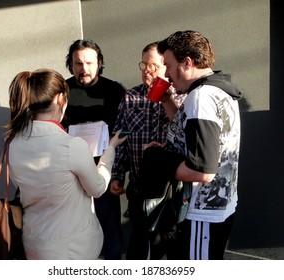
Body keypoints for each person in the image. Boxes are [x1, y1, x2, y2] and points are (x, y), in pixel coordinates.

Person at [5, 68, 126, 260]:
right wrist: (109, 151)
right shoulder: (71, 145)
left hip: (33, 241)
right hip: (72, 247)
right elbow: (98, 187)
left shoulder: (13, 143)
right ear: (60, 99)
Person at [142, 30, 242, 259]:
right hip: (216, 207)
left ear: (187, 62)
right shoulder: (218, 90)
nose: (166, 74)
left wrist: (160, 160)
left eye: (168, 65)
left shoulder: (201, 98)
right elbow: (196, 137)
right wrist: (167, 100)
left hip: (202, 212)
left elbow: (202, 170)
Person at [110, 41, 185, 260]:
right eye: (143, 65)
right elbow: (121, 138)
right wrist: (117, 175)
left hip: (173, 187)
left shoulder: (181, 96)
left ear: (167, 67)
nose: (147, 71)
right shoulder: (130, 97)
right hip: (139, 185)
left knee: (173, 242)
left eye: (153, 66)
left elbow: (186, 137)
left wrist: (166, 100)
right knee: (141, 245)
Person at [62, 39, 126, 260]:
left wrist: (118, 174)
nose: (84, 69)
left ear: (99, 63)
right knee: (74, 237)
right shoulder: (61, 90)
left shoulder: (115, 91)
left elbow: (125, 131)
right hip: (70, 177)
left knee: (110, 235)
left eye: (89, 62)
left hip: (103, 172)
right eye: (78, 63)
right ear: (71, 64)